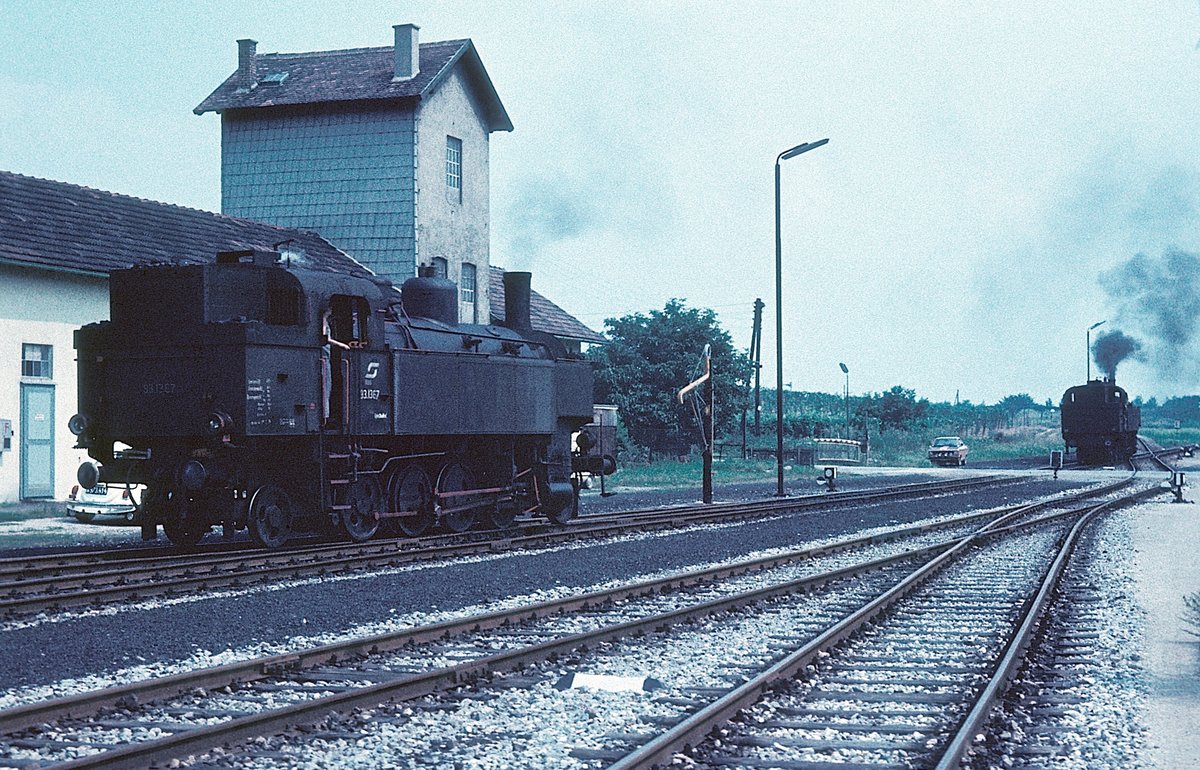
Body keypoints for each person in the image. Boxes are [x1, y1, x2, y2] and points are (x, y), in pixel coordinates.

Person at [322, 308, 350, 425]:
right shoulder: (323, 322)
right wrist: (342, 345)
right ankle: (325, 416)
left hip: (326, 357)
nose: (332, 310)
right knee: (326, 386)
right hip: (324, 357)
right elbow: (324, 338)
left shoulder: (325, 321)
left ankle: (326, 415)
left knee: (328, 386)